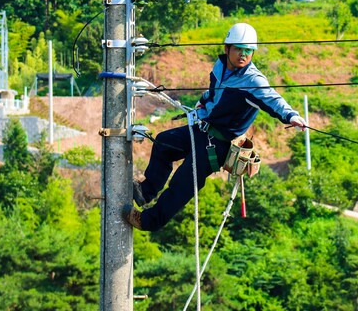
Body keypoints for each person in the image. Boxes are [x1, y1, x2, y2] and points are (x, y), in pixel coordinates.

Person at [123, 23, 307, 231]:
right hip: (203, 129)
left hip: (218, 144)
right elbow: (213, 93)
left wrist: (291, 115)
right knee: (164, 143)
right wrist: (203, 102)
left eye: (248, 51)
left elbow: (273, 99)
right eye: (238, 49)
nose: (243, 55)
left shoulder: (253, 80)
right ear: (227, 48)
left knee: (183, 182)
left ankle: (148, 221)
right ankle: (145, 191)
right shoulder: (219, 67)